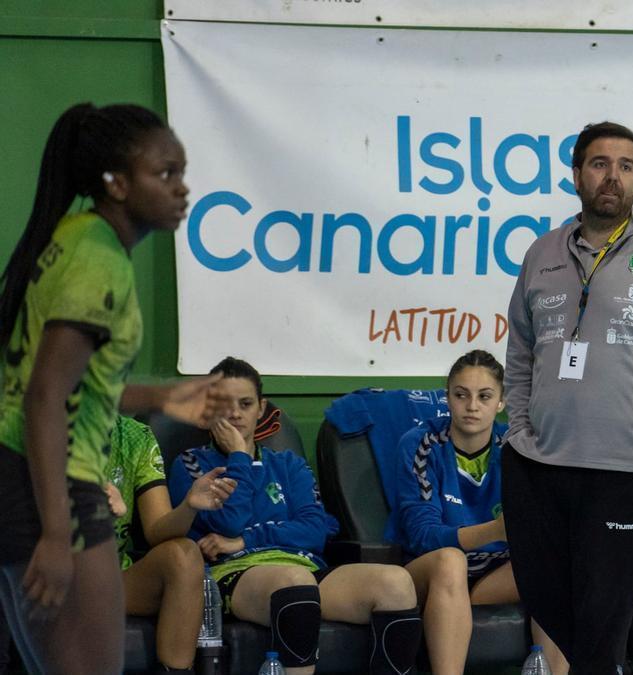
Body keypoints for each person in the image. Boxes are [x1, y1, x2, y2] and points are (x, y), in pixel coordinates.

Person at [0, 102, 229, 675]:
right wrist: (55, 532)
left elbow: (71, 382)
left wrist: (156, 398)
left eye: (183, 172)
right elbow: (44, 396)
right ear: (118, 183)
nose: (182, 189)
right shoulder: (97, 259)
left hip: (34, 478)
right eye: (166, 174)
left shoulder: (79, 236)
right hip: (47, 486)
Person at [503, 121, 633, 673]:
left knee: (603, 618)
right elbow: (520, 352)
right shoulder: (542, 253)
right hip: (538, 463)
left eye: (626, 167)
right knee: (550, 603)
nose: (613, 177)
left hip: (622, 469)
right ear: (577, 175)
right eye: (600, 164)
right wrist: (521, 430)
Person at [168, 357, 423, 675]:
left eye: (245, 404)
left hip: (303, 569)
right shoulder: (191, 465)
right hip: (235, 575)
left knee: (395, 583)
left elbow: (315, 529)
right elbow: (227, 522)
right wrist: (238, 456)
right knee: (295, 581)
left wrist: (246, 538)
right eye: (224, 404)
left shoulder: (288, 464)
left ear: (260, 409)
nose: (235, 413)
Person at [387, 349, 565, 674]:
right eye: (461, 395)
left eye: (484, 396)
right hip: (428, 570)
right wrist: (496, 531)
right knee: (450, 560)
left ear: (501, 402)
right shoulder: (420, 445)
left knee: (560, 561)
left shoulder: (518, 448)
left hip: (494, 573)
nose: (472, 406)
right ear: (447, 398)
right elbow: (423, 536)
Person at [105, 415, 234, 674]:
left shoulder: (134, 435)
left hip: (111, 578)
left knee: (183, 554)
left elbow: (156, 531)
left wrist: (189, 506)